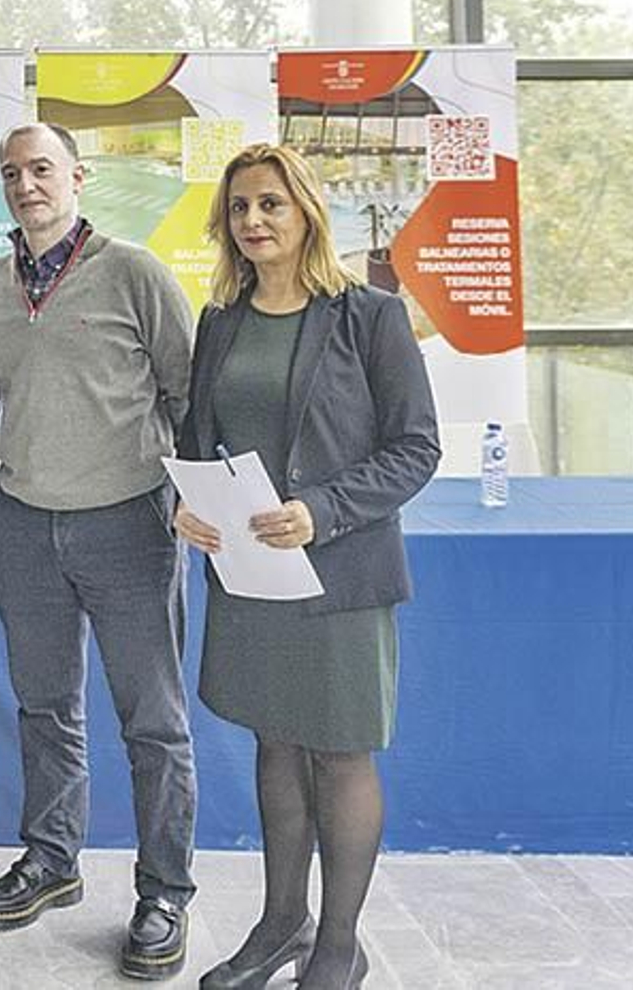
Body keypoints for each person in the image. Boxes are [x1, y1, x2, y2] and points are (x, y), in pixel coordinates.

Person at [174, 143, 440, 990]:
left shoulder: (369, 316)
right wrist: (182, 505)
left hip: (341, 578)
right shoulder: (219, 321)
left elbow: (415, 448)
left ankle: (337, 944)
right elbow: (194, 441)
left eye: (270, 205)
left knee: (341, 755)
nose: (253, 221)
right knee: (275, 745)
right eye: (241, 208)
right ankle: (279, 923)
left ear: (307, 214)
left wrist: (320, 510)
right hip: (252, 581)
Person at [0, 122, 198, 980]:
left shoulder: (135, 272)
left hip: (127, 524)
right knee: (44, 705)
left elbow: (188, 392)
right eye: (11, 173)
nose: (25, 184)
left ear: (78, 176)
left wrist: (190, 501)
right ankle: (52, 859)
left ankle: (164, 889)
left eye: (40, 169)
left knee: (154, 720)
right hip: (24, 525)